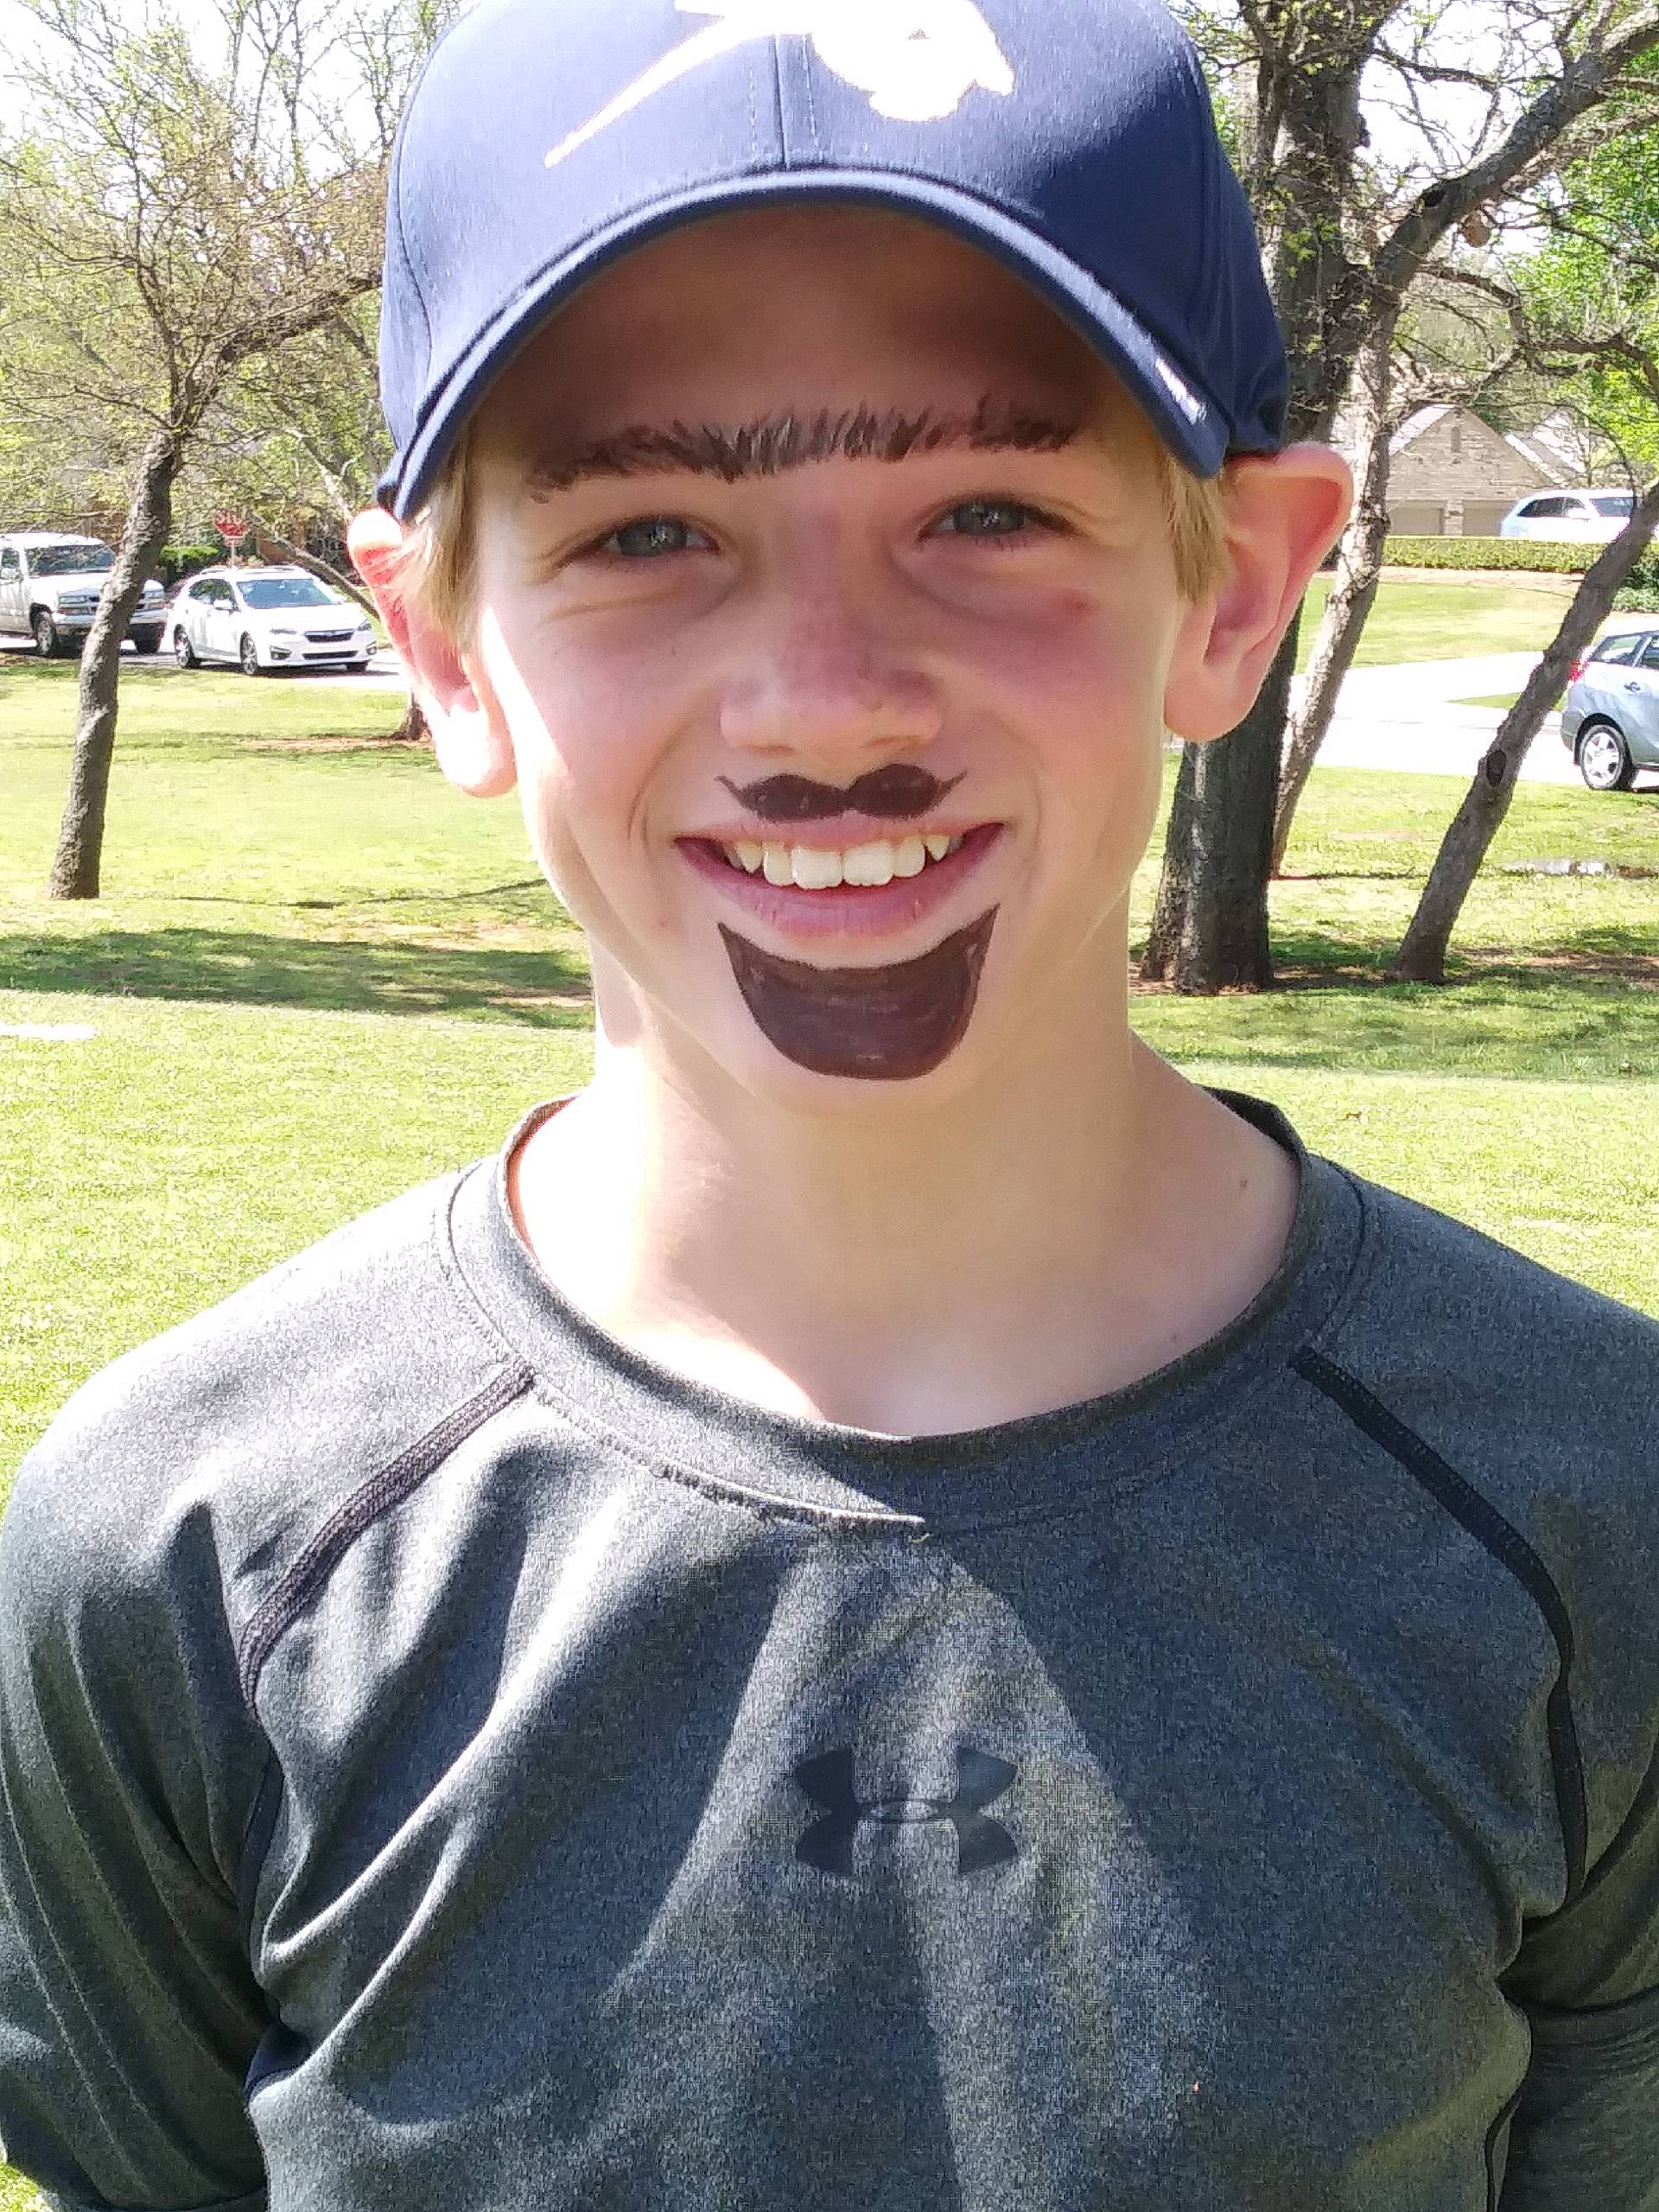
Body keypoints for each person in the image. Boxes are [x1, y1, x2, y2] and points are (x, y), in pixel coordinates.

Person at [3, 0, 1656, 2204]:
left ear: (1236, 581)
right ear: (446, 645)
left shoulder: (1591, 1510)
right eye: (647, 534)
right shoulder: (183, 1559)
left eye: (987, 505)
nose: (826, 709)